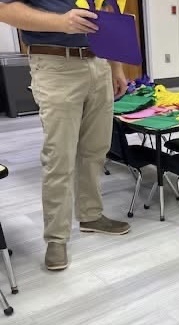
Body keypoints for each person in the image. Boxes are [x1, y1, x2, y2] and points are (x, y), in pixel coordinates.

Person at [0, 0, 130, 271]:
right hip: (55, 63)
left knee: (96, 150)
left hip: (99, 63)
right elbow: (5, 9)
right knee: (59, 157)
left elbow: (108, 15)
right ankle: (56, 238)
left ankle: (91, 215)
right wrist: (60, 22)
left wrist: (116, 66)